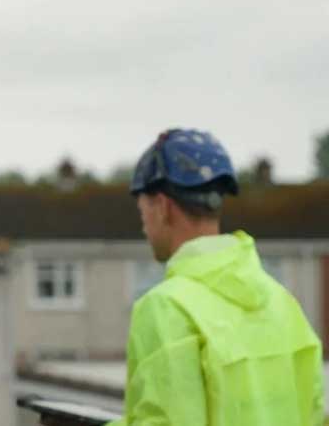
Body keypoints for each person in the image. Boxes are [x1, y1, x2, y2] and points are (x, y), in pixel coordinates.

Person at [107, 128, 324, 425]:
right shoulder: (283, 304)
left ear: (162, 207)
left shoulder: (167, 308)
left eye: (141, 208)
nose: (142, 223)